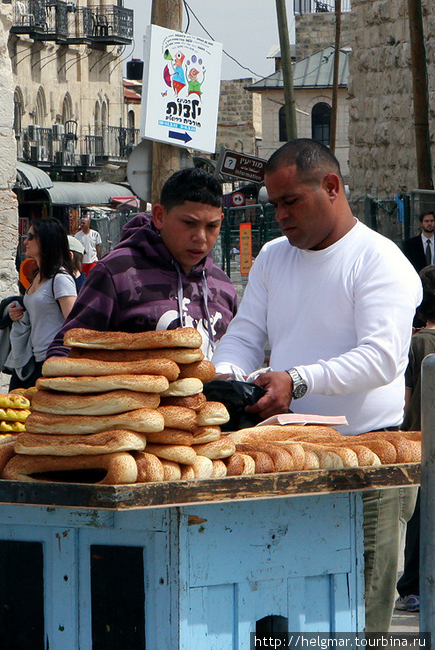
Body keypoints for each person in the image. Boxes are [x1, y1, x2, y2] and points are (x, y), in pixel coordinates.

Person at [210, 138, 422, 634]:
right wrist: (227, 379)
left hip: (367, 462)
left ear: (331, 187)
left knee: (360, 614)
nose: (280, 215)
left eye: (291, 201)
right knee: (281, 602)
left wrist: (296, 380)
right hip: (286, 453)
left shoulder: (379, 260)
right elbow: (244, 335)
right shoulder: (272, 257)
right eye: (274, 203)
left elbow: (382, 358)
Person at [48, 167, 237, 359]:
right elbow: (66, 348)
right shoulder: (117, 274)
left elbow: (240, 352)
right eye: (189, 223)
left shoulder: (224, 286)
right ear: (159, 216)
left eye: (212, 226)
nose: (201, 237)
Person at [395, 265, 435, 613]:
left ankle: (412, 587)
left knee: (419, 517)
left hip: (419, 442)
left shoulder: (417, 342)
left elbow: (404, 398)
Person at [7, 218, 77, 389]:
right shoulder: (38, 277)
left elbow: (74, 323)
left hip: (53, 361)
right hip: (33, 359)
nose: (25, 241)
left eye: (31, 236)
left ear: (46, 240)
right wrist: (14, 313)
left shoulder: (61, 279)